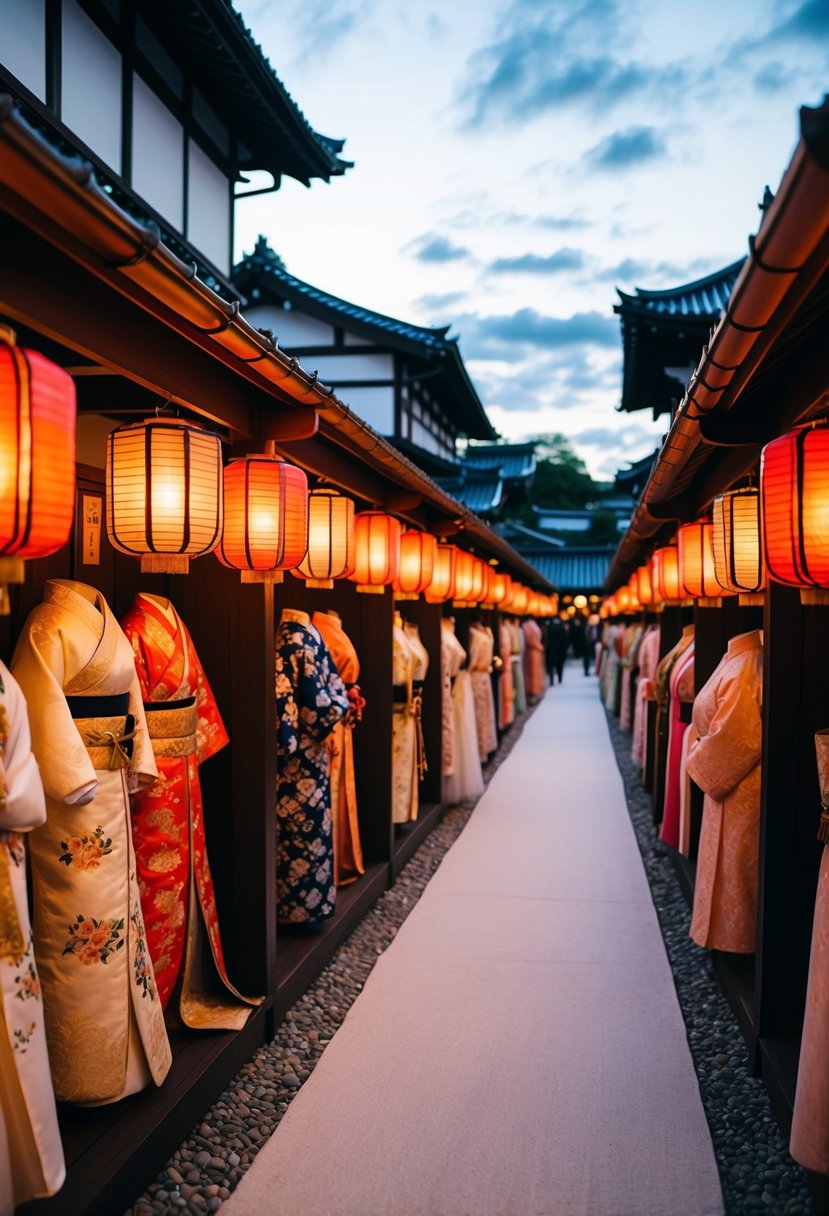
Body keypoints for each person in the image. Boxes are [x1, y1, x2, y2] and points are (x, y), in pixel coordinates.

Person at [545, 616, 568, 684]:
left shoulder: (550, 627)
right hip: (560, 650)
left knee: (551, 665)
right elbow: (565, 640)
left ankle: (551, 680)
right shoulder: (561, 628)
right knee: (560, 666)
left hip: (551, 649)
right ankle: (559, 679)